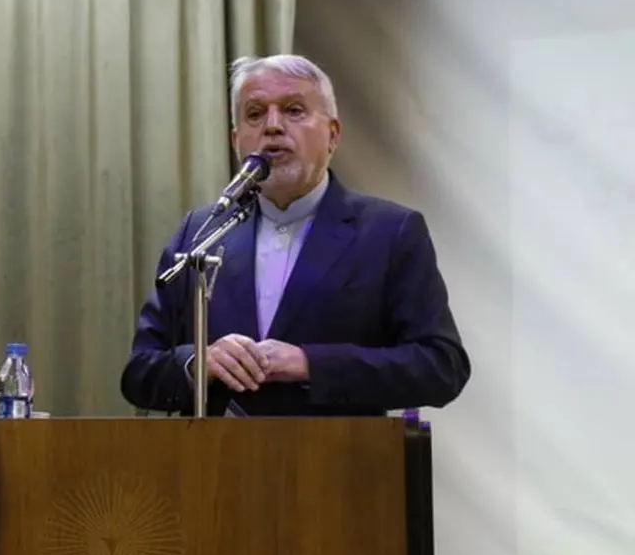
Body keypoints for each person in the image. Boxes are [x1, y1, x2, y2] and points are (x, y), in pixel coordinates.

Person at [120, 55, 470, 416]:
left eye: (294, 110)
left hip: (339, 450)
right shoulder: (200, 232)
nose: (272, 126)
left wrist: (310, 364)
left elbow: (441, 367)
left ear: (332, 134)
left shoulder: (390, 232)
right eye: (255, 114)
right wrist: (197, 363)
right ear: (236, 140)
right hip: (215, 451)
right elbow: (139, 372)